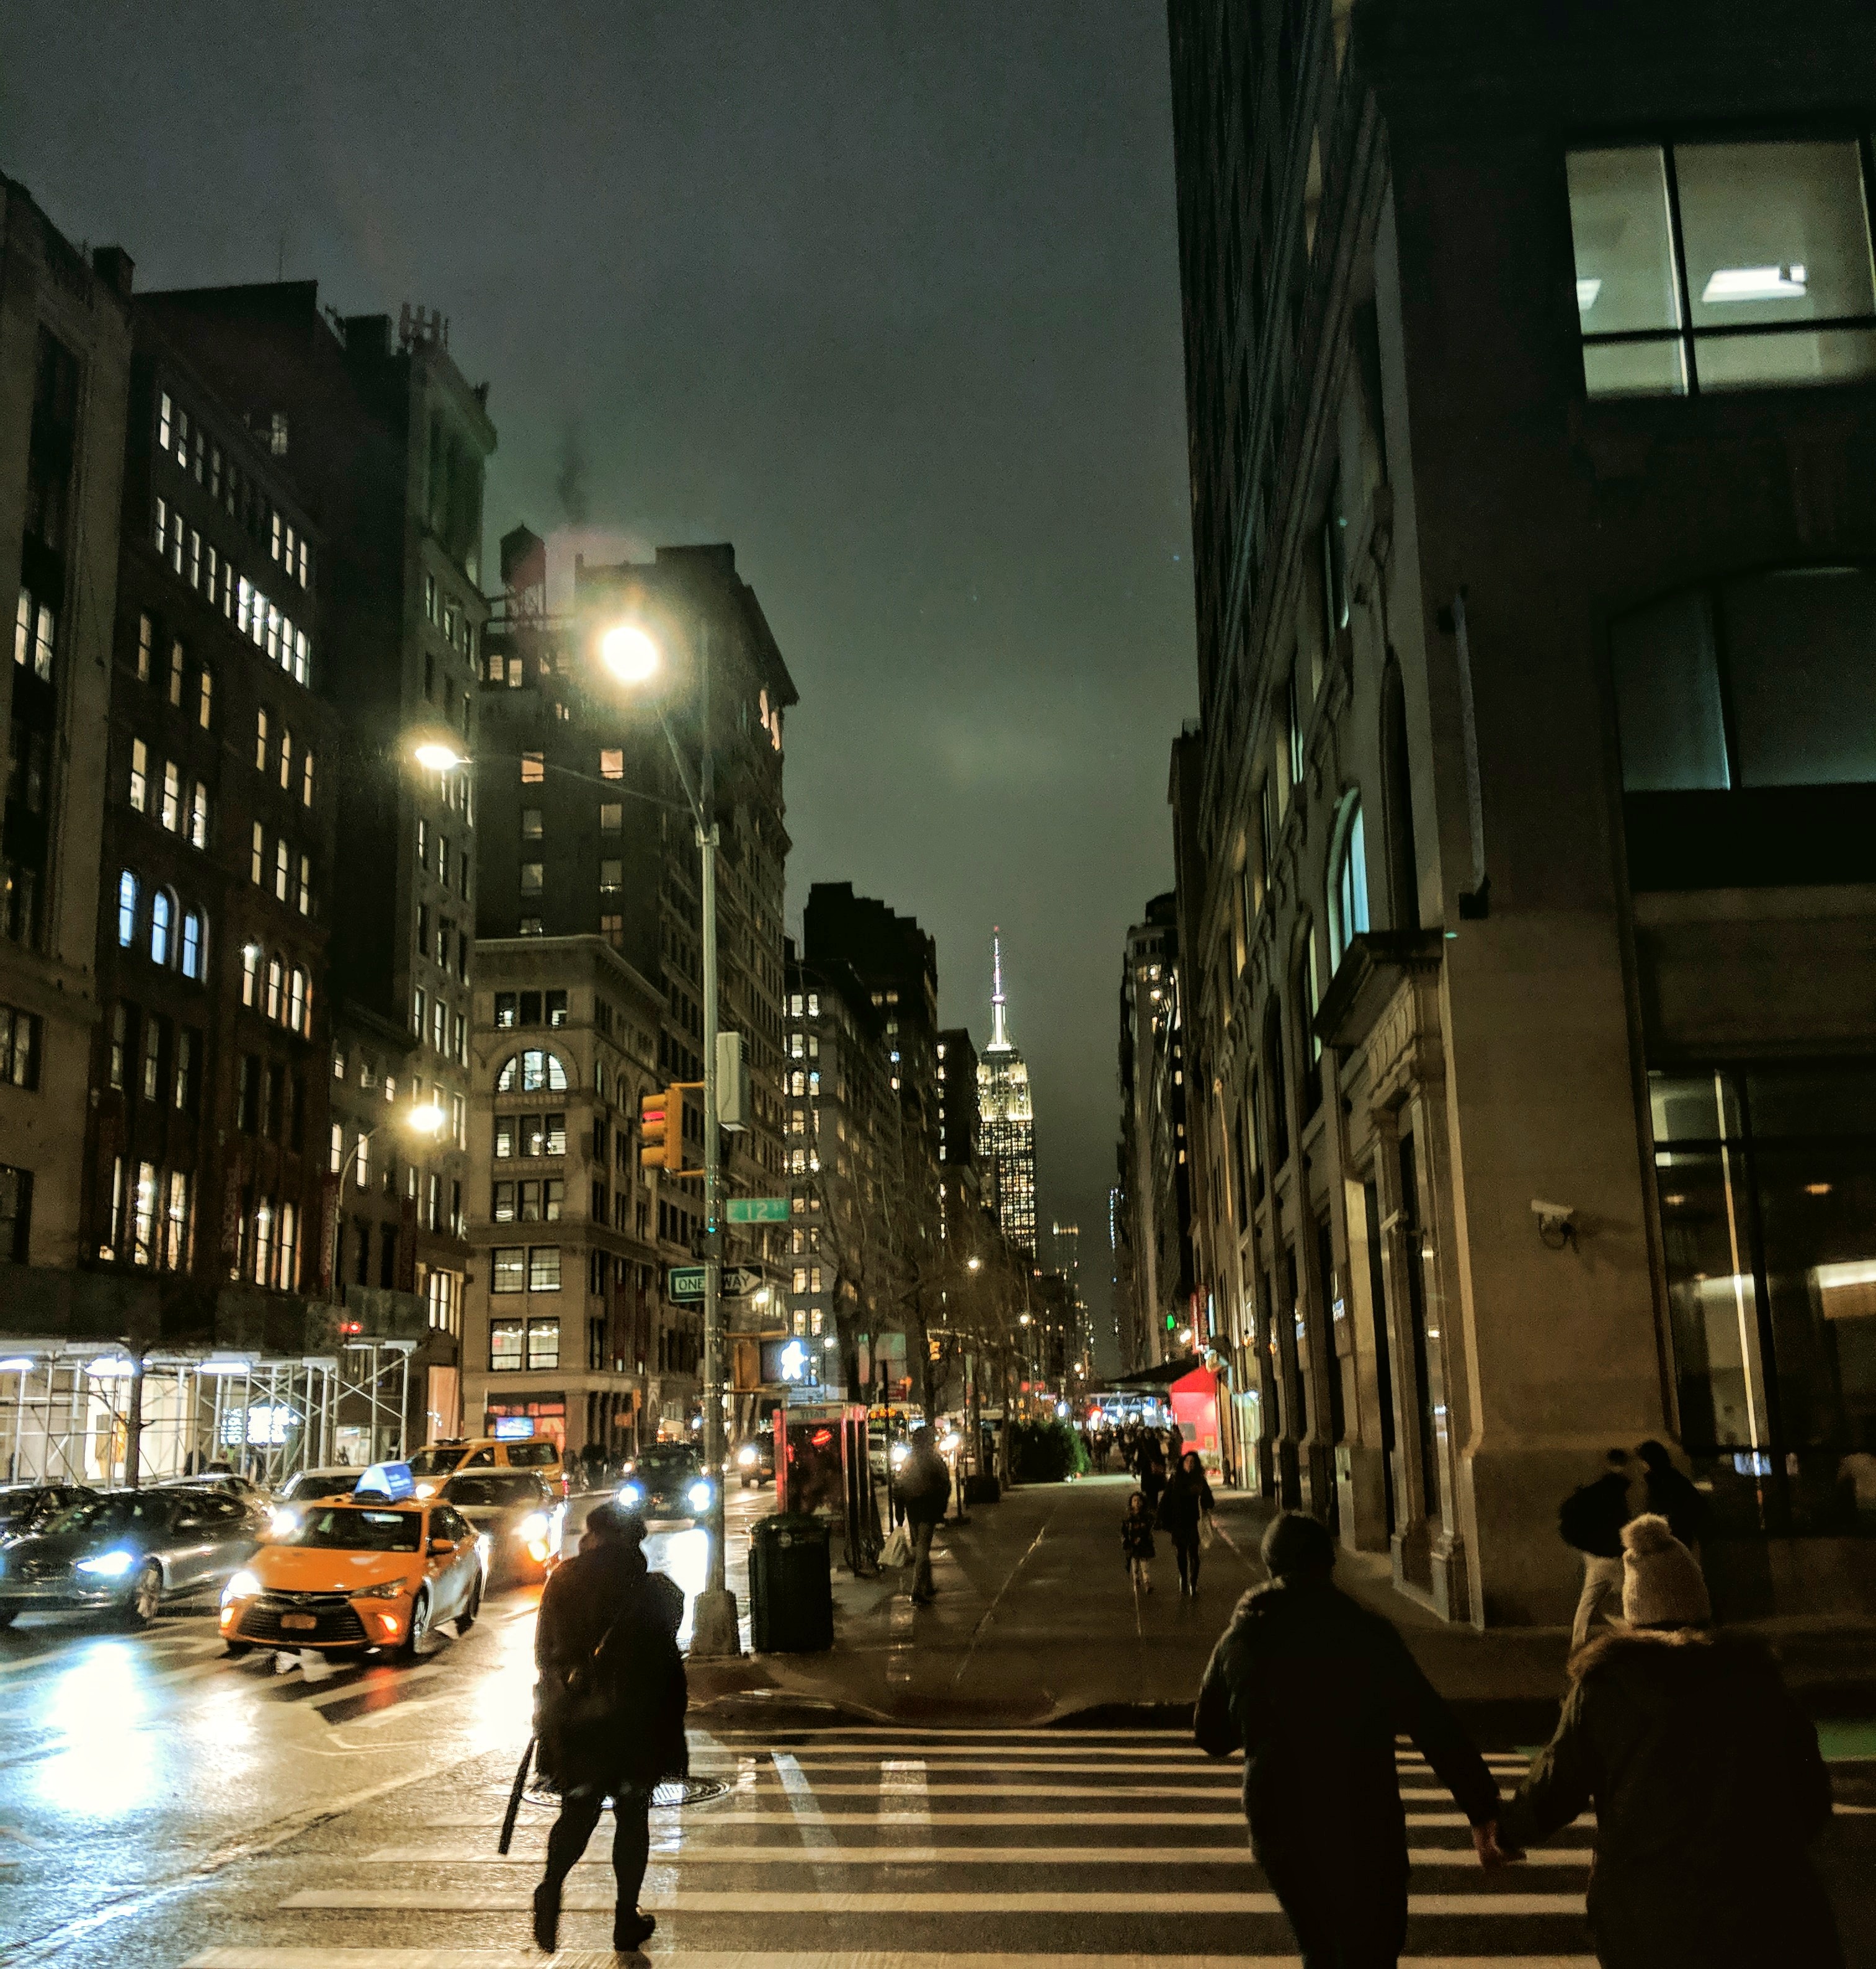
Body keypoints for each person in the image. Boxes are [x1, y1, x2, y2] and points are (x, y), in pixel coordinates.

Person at [1498, 1514, 1842, 1969]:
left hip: (1651, 1908)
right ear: (1702, 1602)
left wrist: (1505, 1832)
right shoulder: (1755, 1679)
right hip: (1762, 1905)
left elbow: (1556, 1785)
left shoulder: (1606, 1688)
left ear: (1634, 1612)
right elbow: (1810, 1796)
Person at [1195, 1512, 1508, 1967]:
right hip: (1362, 1818)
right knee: (1374, 1949)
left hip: (1280, 1823)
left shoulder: (1241, 1637)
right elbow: (1433, 1724)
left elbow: (1210, 1735)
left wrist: (1256, 1713)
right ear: (1328, 1565)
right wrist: (1482, 1809)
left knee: (1319, 1948)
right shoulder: (1367, 1633)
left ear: (1269, 1566)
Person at [531, 1501, 687, 1954]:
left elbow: (544, 1654)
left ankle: (551, 1883)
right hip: (634, 1724)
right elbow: (666, 1655)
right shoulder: (650, 1588)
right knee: (632, 1817)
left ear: (597, 1536)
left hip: (577, 1721)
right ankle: (625, 1917)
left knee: (577, 1811)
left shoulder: (562, 1580)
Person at [1559, 1449, 1633, 1651]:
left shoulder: (1593, 1492)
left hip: (1594, 1554)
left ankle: (1578, 1644)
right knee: (1624, 1596)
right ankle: (1628, 1637)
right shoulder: (1617, 1495)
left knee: (1589, 1601)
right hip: (1612, 1556)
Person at [896, 1425, 950, 1606]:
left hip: (913, 1509)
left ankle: (927, 1585)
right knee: (923, 1550)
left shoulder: (909, 1461)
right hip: (928, 1508)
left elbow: (900, 1487)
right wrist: (941, 1509)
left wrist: (900, 1514)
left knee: (919, 1546)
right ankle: (918, 1590)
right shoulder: (934, 1460)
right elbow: (944, 1485)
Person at [1156, 1450, 1217, 1596]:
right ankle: (1183, 1578)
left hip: (1195, 1522)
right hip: (1178, 1522)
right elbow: (1166, 1499)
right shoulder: (1176, 1479)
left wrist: (1202, 1497)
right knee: (1181, 1554)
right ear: (1183, 1463)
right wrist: (1161, 1517)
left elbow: (1210, 1502)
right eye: (1187, 1462)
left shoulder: (1200, 1481)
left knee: (1194, 1554)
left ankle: (1193, 1583)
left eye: (1193, 1462)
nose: (1190, 1465)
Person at [1635, 1440, 1708, 1552]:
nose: (1642, 1465)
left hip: (1669, 1536)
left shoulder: (1658, 1482)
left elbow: (1659, 1508)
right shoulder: (1676, 1479)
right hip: (1677, 1535)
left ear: (1649, 1461)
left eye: (1643, 1461)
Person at [1121, 1489, 1156, 1591]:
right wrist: (1126, 1542)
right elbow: (1124, 1531)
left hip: (1144, 1545)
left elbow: (1148, 1529)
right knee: (1135, 1566)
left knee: (1145, 1567)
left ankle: (1147, 1583)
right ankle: (1136, 1580)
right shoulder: (1128, 1519)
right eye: (1135, 1501)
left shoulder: (1146, 1517)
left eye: (1139, 1501)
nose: (1137, 1503)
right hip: (1133, 1546)